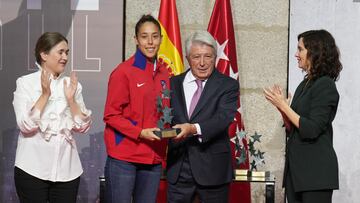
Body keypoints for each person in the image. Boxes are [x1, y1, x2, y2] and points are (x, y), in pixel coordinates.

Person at [12, 32, 92, 203]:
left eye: (67, 53)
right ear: (44, 54)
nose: (65, 57)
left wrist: (71, 100)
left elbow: (83, 127)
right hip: (32, 168)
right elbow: (25, 125)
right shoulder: (25, 83)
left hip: (67, 170)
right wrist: (45, 95)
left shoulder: (72, 85)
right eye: (60, 52)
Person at [264, 29, 342, 203]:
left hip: (315, 173)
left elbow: (312, 129)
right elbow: (293, 128)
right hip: (297, 173)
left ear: (314, 52)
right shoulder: (304, 84)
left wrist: (284, 105)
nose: (296, 54)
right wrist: (282, 110)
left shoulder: (325, 85)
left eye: (300, 49)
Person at [103, 14, 170, 203]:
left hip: (153, 158)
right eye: (144, 36)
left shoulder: (164, 73)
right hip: (125, 157)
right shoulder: (123, 72)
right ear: (136, 40)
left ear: (161, 39)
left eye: (155, 36)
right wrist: (140, 132)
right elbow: (111, 115)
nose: (150, 42)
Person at [166, 31, 239, 203]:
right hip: (178, 168)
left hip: (213, 168)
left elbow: (223, 118)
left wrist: (193, 129)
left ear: (215, 57)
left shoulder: (228, 85)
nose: (202, 63)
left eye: (208, 56)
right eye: (196, 56)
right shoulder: (172, 83)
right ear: (187, 58)